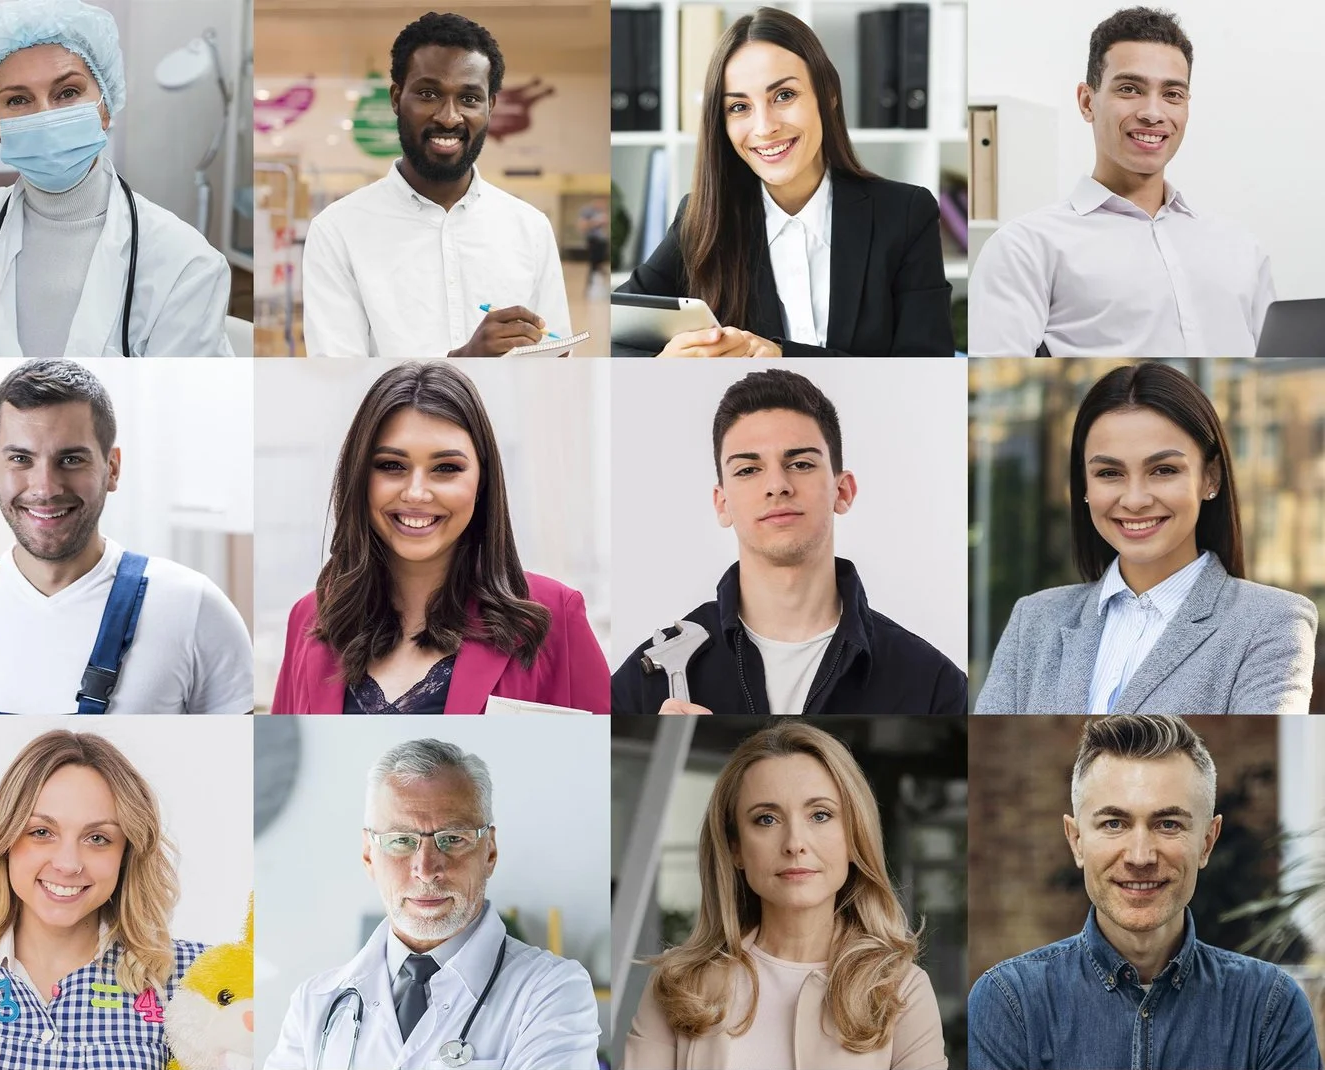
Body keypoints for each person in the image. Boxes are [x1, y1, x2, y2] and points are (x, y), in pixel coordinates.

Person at [969, 715, 1322, 1070]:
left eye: (1168, 824)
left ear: (1207, 841)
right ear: (1076, 841)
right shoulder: (1010, 1002)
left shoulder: (1270, 1007)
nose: (1140, 856)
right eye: (1114, 824)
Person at [0, 360, 253, 713]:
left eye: (70, 460)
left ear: (111, 468)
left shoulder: (194, 608)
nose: (45, 489)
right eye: (21, 458)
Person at [613, 369, 967, 715]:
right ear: (723, 504)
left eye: (800, 463)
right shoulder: (647, 682)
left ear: (842, 491)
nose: (777, 485)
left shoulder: (933, 686)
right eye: (748, 470)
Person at [973, 364, 1313, 715]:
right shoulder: (1034, 619)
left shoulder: (1273, 621)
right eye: (1109, 473)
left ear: (1210, 477)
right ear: (1085, 486)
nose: (1135, 500)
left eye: (1163, 470)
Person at [271, 360, 608, 714]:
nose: (416, 493)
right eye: (391, 466)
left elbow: (598, 758)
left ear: (482, 482)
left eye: (446, 468)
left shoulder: (553, 615)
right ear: (359, 478)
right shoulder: (309, 617)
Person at [0, 0, 232, 357]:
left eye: (68, 92)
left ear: (104, 108)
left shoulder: (185, 261)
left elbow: (183, 405)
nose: (44, 115)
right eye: (18, 100)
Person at [614, 8, 951, 358]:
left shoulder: (905, 214)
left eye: (784, 96)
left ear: (829, 95)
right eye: (739, 107)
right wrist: (663, 364)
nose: (764, 127)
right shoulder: (703, 217)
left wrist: (782, 356)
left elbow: (928, 368)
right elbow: (614, 334)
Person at [625, 723, 946, 1070]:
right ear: (735, 848)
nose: (795, 843)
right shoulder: (678, 984)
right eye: (766, 819)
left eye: (820, 815)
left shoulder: (902, 990)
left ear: (854, 836)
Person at [265, 739, 600, 1070]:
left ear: (490, 852)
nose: (426, 870)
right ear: (369, 854)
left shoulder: (553, 990)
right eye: (401, 841)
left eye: (453, 839)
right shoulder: (313, 1002)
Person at [970, 7, 1273, 358]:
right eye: (1130, 89)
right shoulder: (1026, 248)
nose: (1153, 113)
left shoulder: (1241, 247)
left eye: (1172, 94)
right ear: (1087, 102)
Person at [0, 730, 205, 1070]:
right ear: (5, 839)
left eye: (97, 838)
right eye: (41, 832)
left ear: (126, 853)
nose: (67, 864)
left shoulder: (196, 980)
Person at [300, 13, 574, 360]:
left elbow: (558, 357)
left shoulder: (530, 227)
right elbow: (337, 383)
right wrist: (463, 364)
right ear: (397, 98)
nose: (449, 117)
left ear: (490, 106)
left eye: (469, 99)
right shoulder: (338, 230)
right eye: (429, 94)